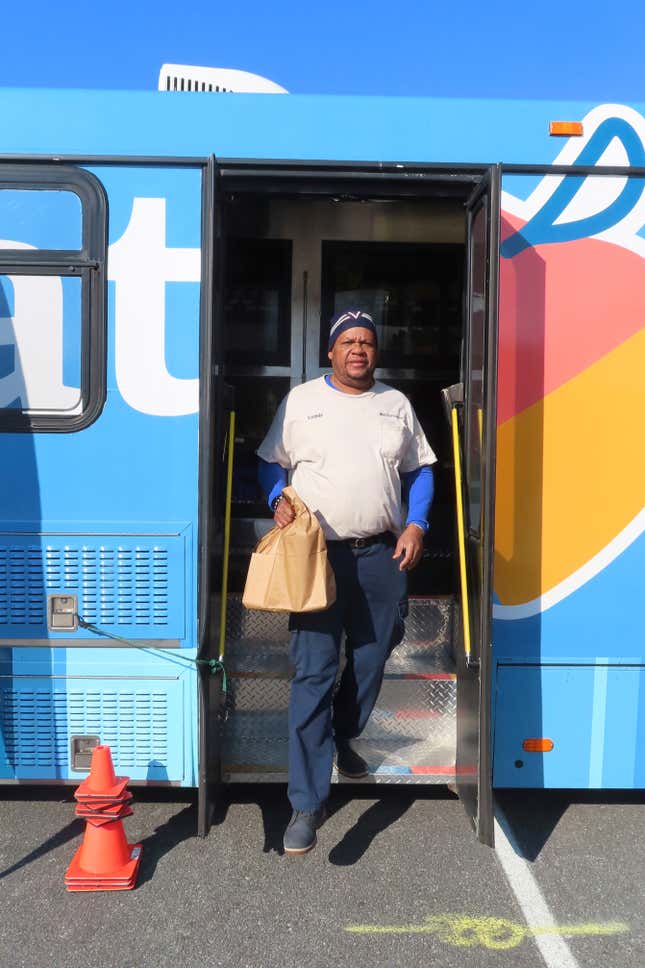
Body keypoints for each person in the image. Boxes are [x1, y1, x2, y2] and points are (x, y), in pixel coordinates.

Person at [257, 308, 436, 854]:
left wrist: (417, 524)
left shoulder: (395, 405)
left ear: (375, 353)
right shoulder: (302, 402)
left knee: (372, 657)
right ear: (331, 352)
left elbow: (421, 470)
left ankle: (343, 731)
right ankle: (307, 806)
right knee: (313, 671)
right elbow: (270, 462)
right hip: (315, 556)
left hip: (380, 556)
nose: (358, 349)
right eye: (348, 342)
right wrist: (275, 498)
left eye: (367, 342)